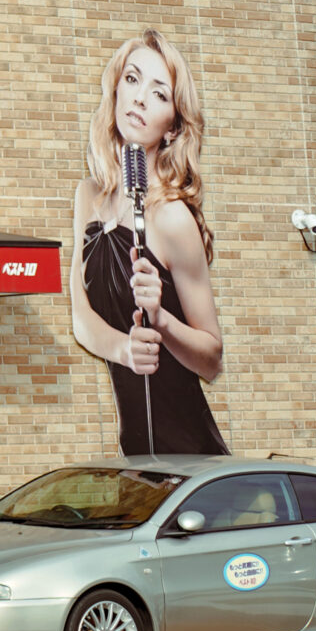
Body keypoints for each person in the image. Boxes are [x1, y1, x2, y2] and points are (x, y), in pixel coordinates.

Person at [70, 29, 227, 455]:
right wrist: (123, 348)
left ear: (173, 126)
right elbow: (80, 316)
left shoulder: (173, 218)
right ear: (116, 88)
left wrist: (161, 320)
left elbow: (211, 359)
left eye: (159, 94)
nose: (139, 98)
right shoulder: (89, 196)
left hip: (191, 463)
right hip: (134, 458)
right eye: (133, 80)